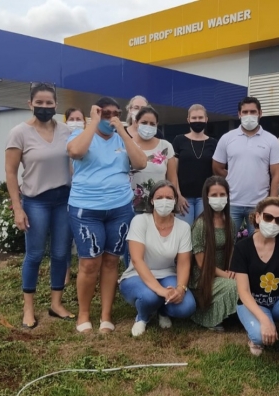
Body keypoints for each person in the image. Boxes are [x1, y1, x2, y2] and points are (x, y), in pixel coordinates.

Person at [67, 96, 147, 333]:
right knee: (90, 263)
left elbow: (141, 162)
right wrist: (92, 122)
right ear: (96, 114)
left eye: (116, 113)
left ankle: (106, 315)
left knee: (112, 261)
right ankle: (83, 314)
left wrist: (123, 132)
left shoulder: (123, 138)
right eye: (106, 113)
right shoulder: (81, 136)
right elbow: (76, 151)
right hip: (86, 209)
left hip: (119, 208)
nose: (111, 117)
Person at [5, 82, 74, 329]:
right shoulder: (19, 133)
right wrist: (18, 207)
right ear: (30, 104)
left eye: (49, 103)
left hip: (63, 199)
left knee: (60, 254)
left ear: (56, 105)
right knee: (34, 254)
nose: (44, 107)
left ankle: (56, 304)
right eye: (40, 103)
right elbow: (11, 173)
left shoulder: (66, 131)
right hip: (36, 201)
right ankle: (28, 308)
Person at [230, 197, 279, 364]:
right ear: (257, 217)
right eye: (268, 217)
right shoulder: (242, 247)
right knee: (259, 336)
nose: (273, 223)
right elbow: (243, 291)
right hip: (254, 303)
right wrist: (264, 320)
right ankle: (260, 330)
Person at [119, 180, 197, 337]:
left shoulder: (183, 227)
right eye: (160, 197)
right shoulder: (140, 221)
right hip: (136, 275)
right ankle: (143, 316)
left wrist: (181, 288)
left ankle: (162, 310)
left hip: (168, 274)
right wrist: (161, 290)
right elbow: (137, 260)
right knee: (150, 297)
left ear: (175, 201)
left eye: (169, 197)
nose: (165, 201)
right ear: (152, 201)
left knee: (187, 306)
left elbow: (183, 262)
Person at [213, 96, 279, 236]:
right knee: (227, 245)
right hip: (232, 203)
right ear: (239, 114)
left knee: (258, 244)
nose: (248, 115)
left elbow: (277, 173)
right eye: (245, 112)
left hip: (259, 204)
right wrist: (234, 177)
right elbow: (217, 167)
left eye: (253, 112)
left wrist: (271, 201)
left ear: (260, 113)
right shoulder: (227, 138)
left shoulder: (271, 140)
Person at [189, 176, 238, 331]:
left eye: (222, 195)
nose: (219, 199)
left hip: (224, 272)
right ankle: (208, 316)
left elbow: (230, 250)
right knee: (234, 285)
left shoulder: (230, 222)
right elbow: (201, 263)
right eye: (214, 195)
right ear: (207, 197)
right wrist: (226, 275)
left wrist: (232, 270)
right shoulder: (201, 225)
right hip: (203, 276)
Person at [172, 104, 217, 226]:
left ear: (206, 119)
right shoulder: (179, 140)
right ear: (188, 120)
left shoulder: (213, 143)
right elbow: (173, 171)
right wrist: (178, 195)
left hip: (204, 197)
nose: (197, 121)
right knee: (184, 232)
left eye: (200, 118)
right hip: (184, 198)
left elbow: (216, 172)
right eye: (194, 118)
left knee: (201, 234)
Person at [130, 106, 178, 214]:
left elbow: (172, 179)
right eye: (144, 122)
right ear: (136, 122)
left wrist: (172, 202)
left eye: (152, 124)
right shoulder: (128, 145)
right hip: (130, 206)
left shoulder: (166, 146)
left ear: (157, 125)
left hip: (159, 206)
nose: (148, 126)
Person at [63, 108, 86, 285]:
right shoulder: (59, 140)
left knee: (81, 237)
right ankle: (65, 273)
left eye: (79, 119)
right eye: (72, 119)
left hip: (82, 197)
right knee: (64, 236)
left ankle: (82, 271)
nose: (76, 122)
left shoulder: (88, 141)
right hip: (62, 193)